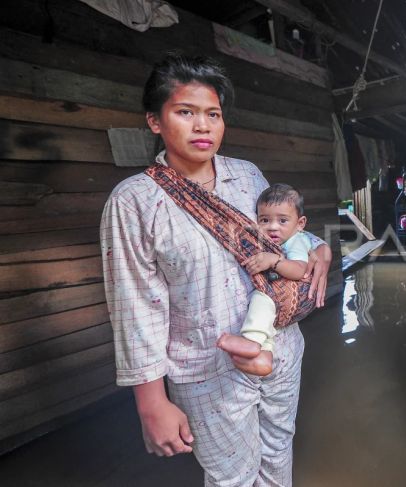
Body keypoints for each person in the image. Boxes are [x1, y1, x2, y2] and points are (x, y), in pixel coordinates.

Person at [100, 53, 332, 486]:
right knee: (232, 476)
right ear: (155, 121)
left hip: (281, 350)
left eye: (213, 114)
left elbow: (285, 231)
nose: (203, 126)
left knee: (279, 450)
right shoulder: (135, 201)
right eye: (185, 112)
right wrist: (152, 404)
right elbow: (136, 309)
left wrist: (321, 250)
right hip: (206, 370)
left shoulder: (246, 176)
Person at [217, 183, 313, 377]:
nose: (272, 227)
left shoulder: (298, 241)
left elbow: (299, 270)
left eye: (283, 220)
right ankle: (264, 355)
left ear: (300, 223)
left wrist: (273, 260)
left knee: (262, 299)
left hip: (285, 292)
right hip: (278, 295)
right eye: (265, 220)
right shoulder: (276, 239)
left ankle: (252, 340)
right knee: (266, 312)